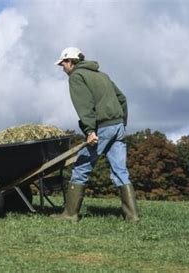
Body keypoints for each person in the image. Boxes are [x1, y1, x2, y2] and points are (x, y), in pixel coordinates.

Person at [53, 47, 139, 222]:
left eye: (63, 64)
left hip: (102, 128)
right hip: (118, 126)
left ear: (71, 62)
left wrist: (90, 131)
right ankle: (132, 216)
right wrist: (122, 123)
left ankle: (70, 214)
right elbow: (122, 98)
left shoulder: (77, 76)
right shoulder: (102, 75)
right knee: (120, 171)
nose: (63, 68)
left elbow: (85, 106)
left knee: (81, 167)